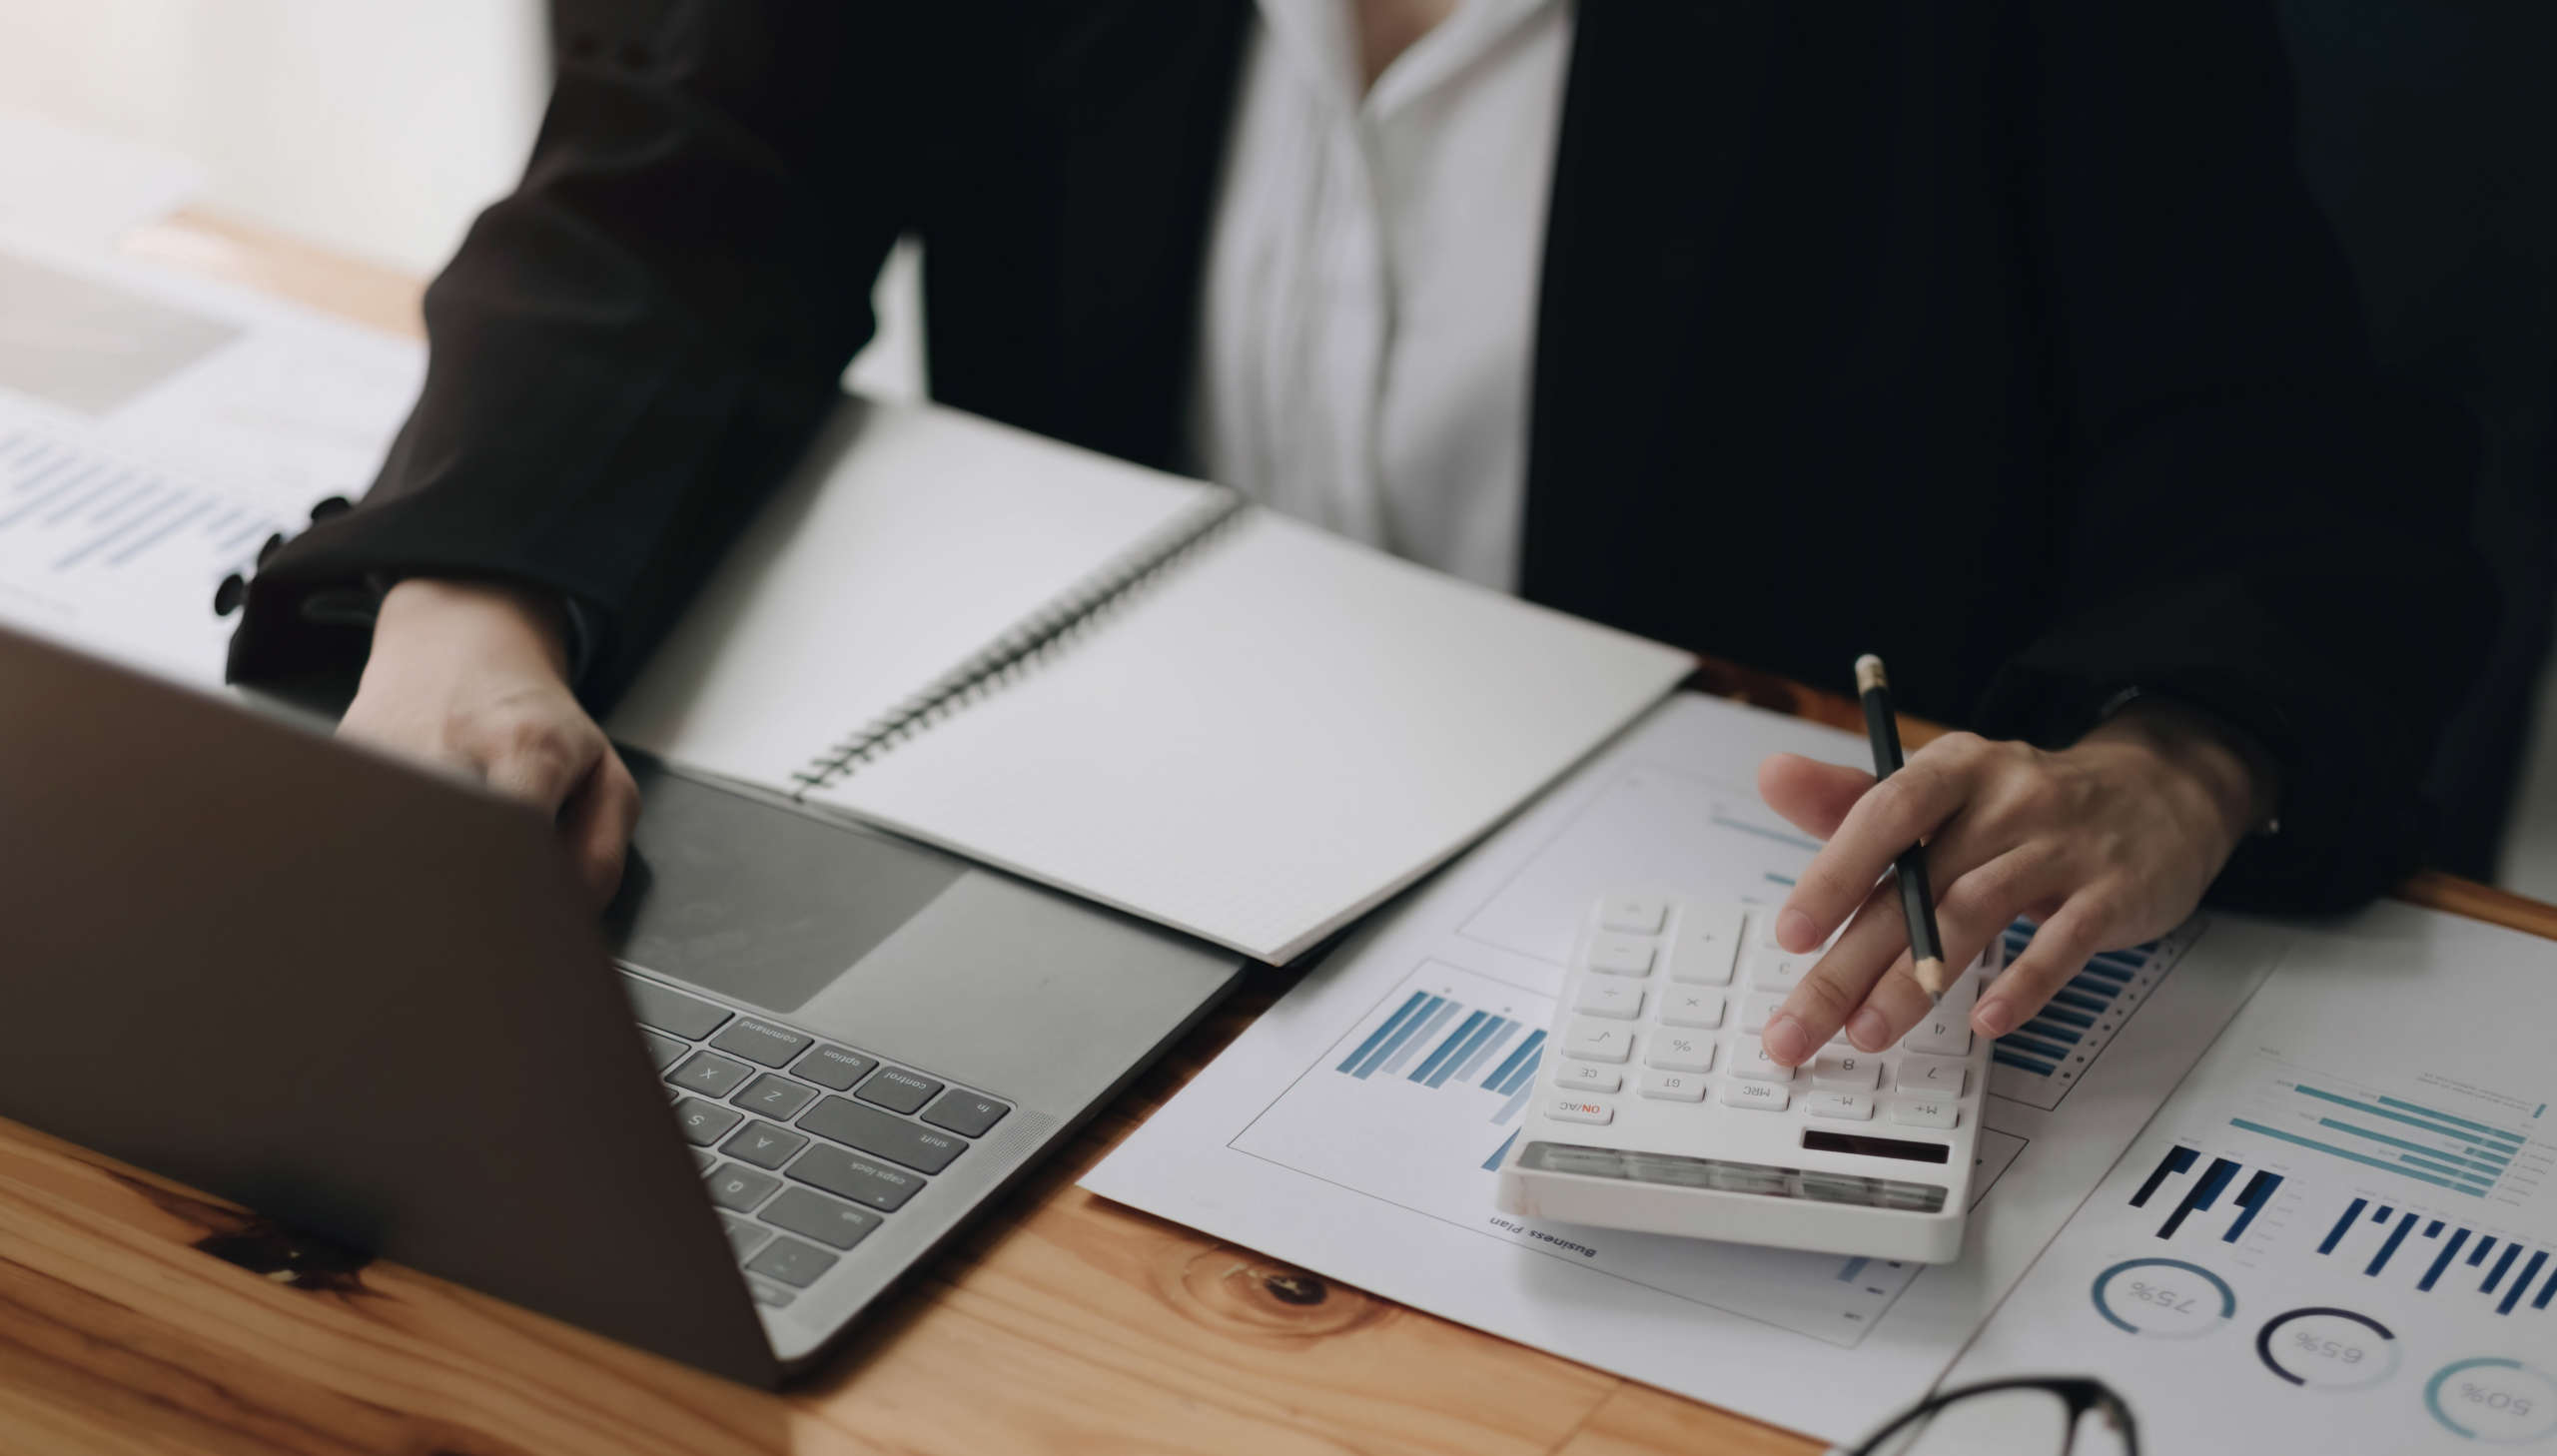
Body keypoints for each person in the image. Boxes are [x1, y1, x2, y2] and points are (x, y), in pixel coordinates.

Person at [228, 1, 2489, 1069]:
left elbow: (2287, 463)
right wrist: (471, 611)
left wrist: (2168, 753)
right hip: (1115, 898)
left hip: (1732, 971)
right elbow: (682, 188)